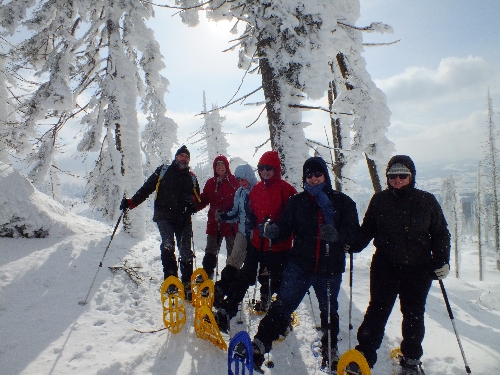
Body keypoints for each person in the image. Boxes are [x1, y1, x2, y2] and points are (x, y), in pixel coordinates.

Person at [240, 156, 360, 371]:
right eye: (309, 175)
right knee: (283, 304)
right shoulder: (298, 202)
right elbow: (285, 228)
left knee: (329, 309)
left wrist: (338, 236)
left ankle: (329, 347)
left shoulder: (342, 202)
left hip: (329, 268)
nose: (313, 179)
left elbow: (355, 235)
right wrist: (273, 231)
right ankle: (260, 343)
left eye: (317, 174)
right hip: (300, 266)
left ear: (325, 175)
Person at [347, 155, 451, 375]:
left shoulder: (426, 201)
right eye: (393, 176)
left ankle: (411, 359)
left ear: (411, 176)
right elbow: (367, 230)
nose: (398, 180)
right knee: (377, 310)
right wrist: (352, 244)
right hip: (386, 266)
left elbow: (441, 233)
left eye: (403, 175)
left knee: (413, 314)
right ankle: (365, 353)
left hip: (418, 269)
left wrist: (442, 259)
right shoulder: (380, 200)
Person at [215, 150, 297, 332]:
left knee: (278, 283)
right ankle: (227, 311)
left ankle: (282, 318)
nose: (265, 171)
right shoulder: (257, 190)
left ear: (276, 169)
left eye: (269, 168)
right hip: (256, 244)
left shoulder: (287, 190)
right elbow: (251, 211)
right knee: (245, 277)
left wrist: (278, 230)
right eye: (262, 168)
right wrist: (251, 219)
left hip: (279, 248)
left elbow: (294, 219)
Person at [119, 145, 200, 299]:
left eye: (186, 157)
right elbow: (147, 188)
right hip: (164, 216)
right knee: (168, 244)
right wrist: (132, 202)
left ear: (188, 160)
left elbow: (198, 199)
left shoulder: (192, 177)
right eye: (181, 155)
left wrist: (192, 202)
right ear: (176, 157)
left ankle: (187, 284)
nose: (183, 158)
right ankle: (171, 280)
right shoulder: (163, 171)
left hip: (183, 218)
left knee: (186, 251)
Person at [213, 163, 258, 305]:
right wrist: (225, 216)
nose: (242, 182)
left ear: (250, 177)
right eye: (239, 180)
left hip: (258, 235)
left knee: (256, 268)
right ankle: (221, 289)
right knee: (234, 261)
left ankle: (264, 294)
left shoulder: (258, 190)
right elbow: (236, 213)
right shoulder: (239, 192)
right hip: (243, 232)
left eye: (244, 179)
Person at [197, 155, 239, 279]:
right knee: (210, 251)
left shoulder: (234, 181)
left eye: (222, 165)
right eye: (217, 165)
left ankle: (230, 277)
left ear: (227, 167)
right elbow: (203, 199)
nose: (220, 167)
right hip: (214, 223)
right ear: (214, 168)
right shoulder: (211, 183)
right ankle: (206, 275)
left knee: (232, 252)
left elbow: (240, 200)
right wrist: (192, 205)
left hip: (230, 223)